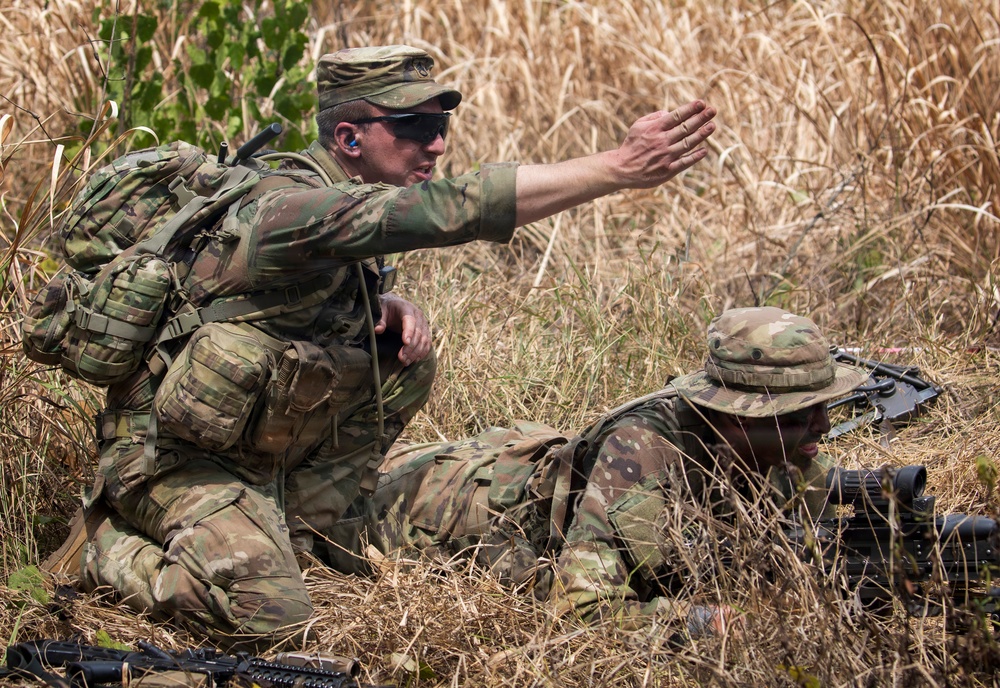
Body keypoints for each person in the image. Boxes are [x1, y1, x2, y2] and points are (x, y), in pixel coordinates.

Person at [42, 45, 718, 649]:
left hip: (253, 454)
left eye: (442, 126)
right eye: (415, 127)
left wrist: (378, 305)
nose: (438, 145)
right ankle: (108, 546)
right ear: (349, 136)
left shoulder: (333, 205)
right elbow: (446, 211)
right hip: (170, 463)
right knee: (274, 615)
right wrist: (617, 168)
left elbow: (260, 310)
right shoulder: (291, 209)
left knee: (403, 357)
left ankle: (304, 529)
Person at [315, 306, 868, 639]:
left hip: (504, 467)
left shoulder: (787, 454)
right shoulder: (646, 450)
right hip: (422, 512)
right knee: (314, 520)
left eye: (821, 405)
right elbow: (579, 608)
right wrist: (710, 622)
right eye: (796, 414)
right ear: (735, 418)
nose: (822, 423)